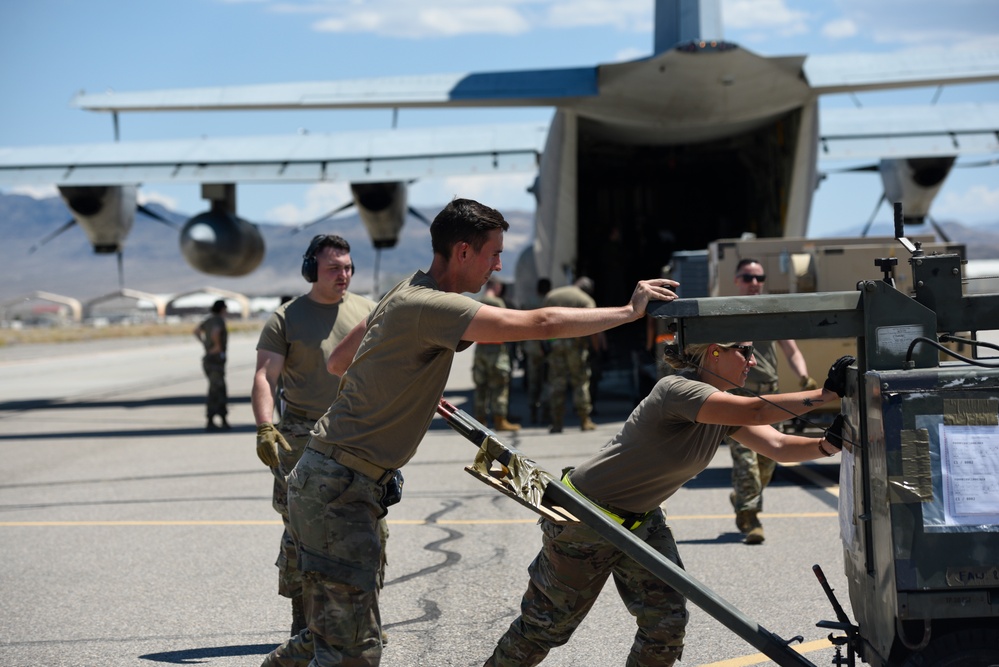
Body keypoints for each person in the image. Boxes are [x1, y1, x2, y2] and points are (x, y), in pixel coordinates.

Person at [261, 198, 680, 667]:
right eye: (493, 254)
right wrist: (628, 311)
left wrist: (407, 385)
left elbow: (340, 362)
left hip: (341, 484)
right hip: (337, 489)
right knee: (351, 650)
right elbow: (537, 323)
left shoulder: (406, 290)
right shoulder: (430, 305)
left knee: (334, 633)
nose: (497, 265)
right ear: (463, 252)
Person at [483, 344, 853, 667]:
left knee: (666, 624)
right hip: (586, 516)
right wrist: (824, 394)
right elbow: (756, 412)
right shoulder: (678, 390)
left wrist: (829, 444)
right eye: (744, 350)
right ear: (714, 352)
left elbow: (779, 448)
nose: (753, 362)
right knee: (544, 629)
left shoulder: (722, 413)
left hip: (641, 520)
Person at [252, 235, 378, 647]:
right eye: (333, 268)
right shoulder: (286, 318)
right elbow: (265, 377)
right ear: (311, 271)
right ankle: (304, 624)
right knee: (302, 532)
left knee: (368, 527)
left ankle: (362, 623)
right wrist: (264, 426)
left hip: (355, 433)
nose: (343, 275)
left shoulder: (368, 312)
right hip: (301, 437)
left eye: (347, 267)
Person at [727, 258, 817, 545]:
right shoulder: (726, 313)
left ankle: (742, 498)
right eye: (747, 277)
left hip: (770, 397)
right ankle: (752, 518)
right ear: (736, 280)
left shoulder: (770, 313)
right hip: (738, 398)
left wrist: (804, 378)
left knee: (767, 462)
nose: (754, 283)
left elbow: (791, 351)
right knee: (746, 462)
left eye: (759, 277)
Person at [541, 276, 601, 433]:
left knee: (557, 383)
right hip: (576, 348)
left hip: (555, 346)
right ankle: (584, 420)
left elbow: (541, 322)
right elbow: (594, 326)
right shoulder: (585, 299)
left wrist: (545, 344)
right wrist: (596, 348)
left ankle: (556, 423)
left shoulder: (552, 295)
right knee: (580, 382)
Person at [472, 278, 520, 432]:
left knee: (481, 386)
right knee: (499, 386)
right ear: (496, 286)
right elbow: (506, 326)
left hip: (480, 348)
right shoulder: (498, 303)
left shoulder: (477, 302)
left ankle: (480, 421)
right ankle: (500, 420)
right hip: (497, 349)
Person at [194, 299, 229, 432]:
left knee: (217, 388)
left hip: (210, 359)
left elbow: (196, 331)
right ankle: (214, 419)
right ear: (222, 309)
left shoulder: (208, 320)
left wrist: (205, 344)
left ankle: (218, 419)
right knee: (217, 390)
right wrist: (217, 347)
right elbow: (215, 332)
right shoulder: (218, 320)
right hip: (215, 360)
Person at [522, 278, 551, 424]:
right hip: (547, 350)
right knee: (547, 380)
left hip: (531, 349)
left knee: (533, 381)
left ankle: (533, 411)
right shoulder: (550, 303)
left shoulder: (528, 302)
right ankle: (545, 412)